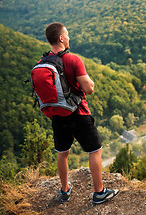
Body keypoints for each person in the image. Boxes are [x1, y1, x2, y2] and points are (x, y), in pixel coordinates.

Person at [44, 22, 119, 204]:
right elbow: (89, 88)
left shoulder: (43, 62)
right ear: (61, 38)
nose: (69, 38)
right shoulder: (73, 60)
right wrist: (91, 82)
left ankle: (64, 190)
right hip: (79, 113)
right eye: (67, 35)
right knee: (95, 151)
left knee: (62, 153)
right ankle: (99, 192)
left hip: (57, 115)